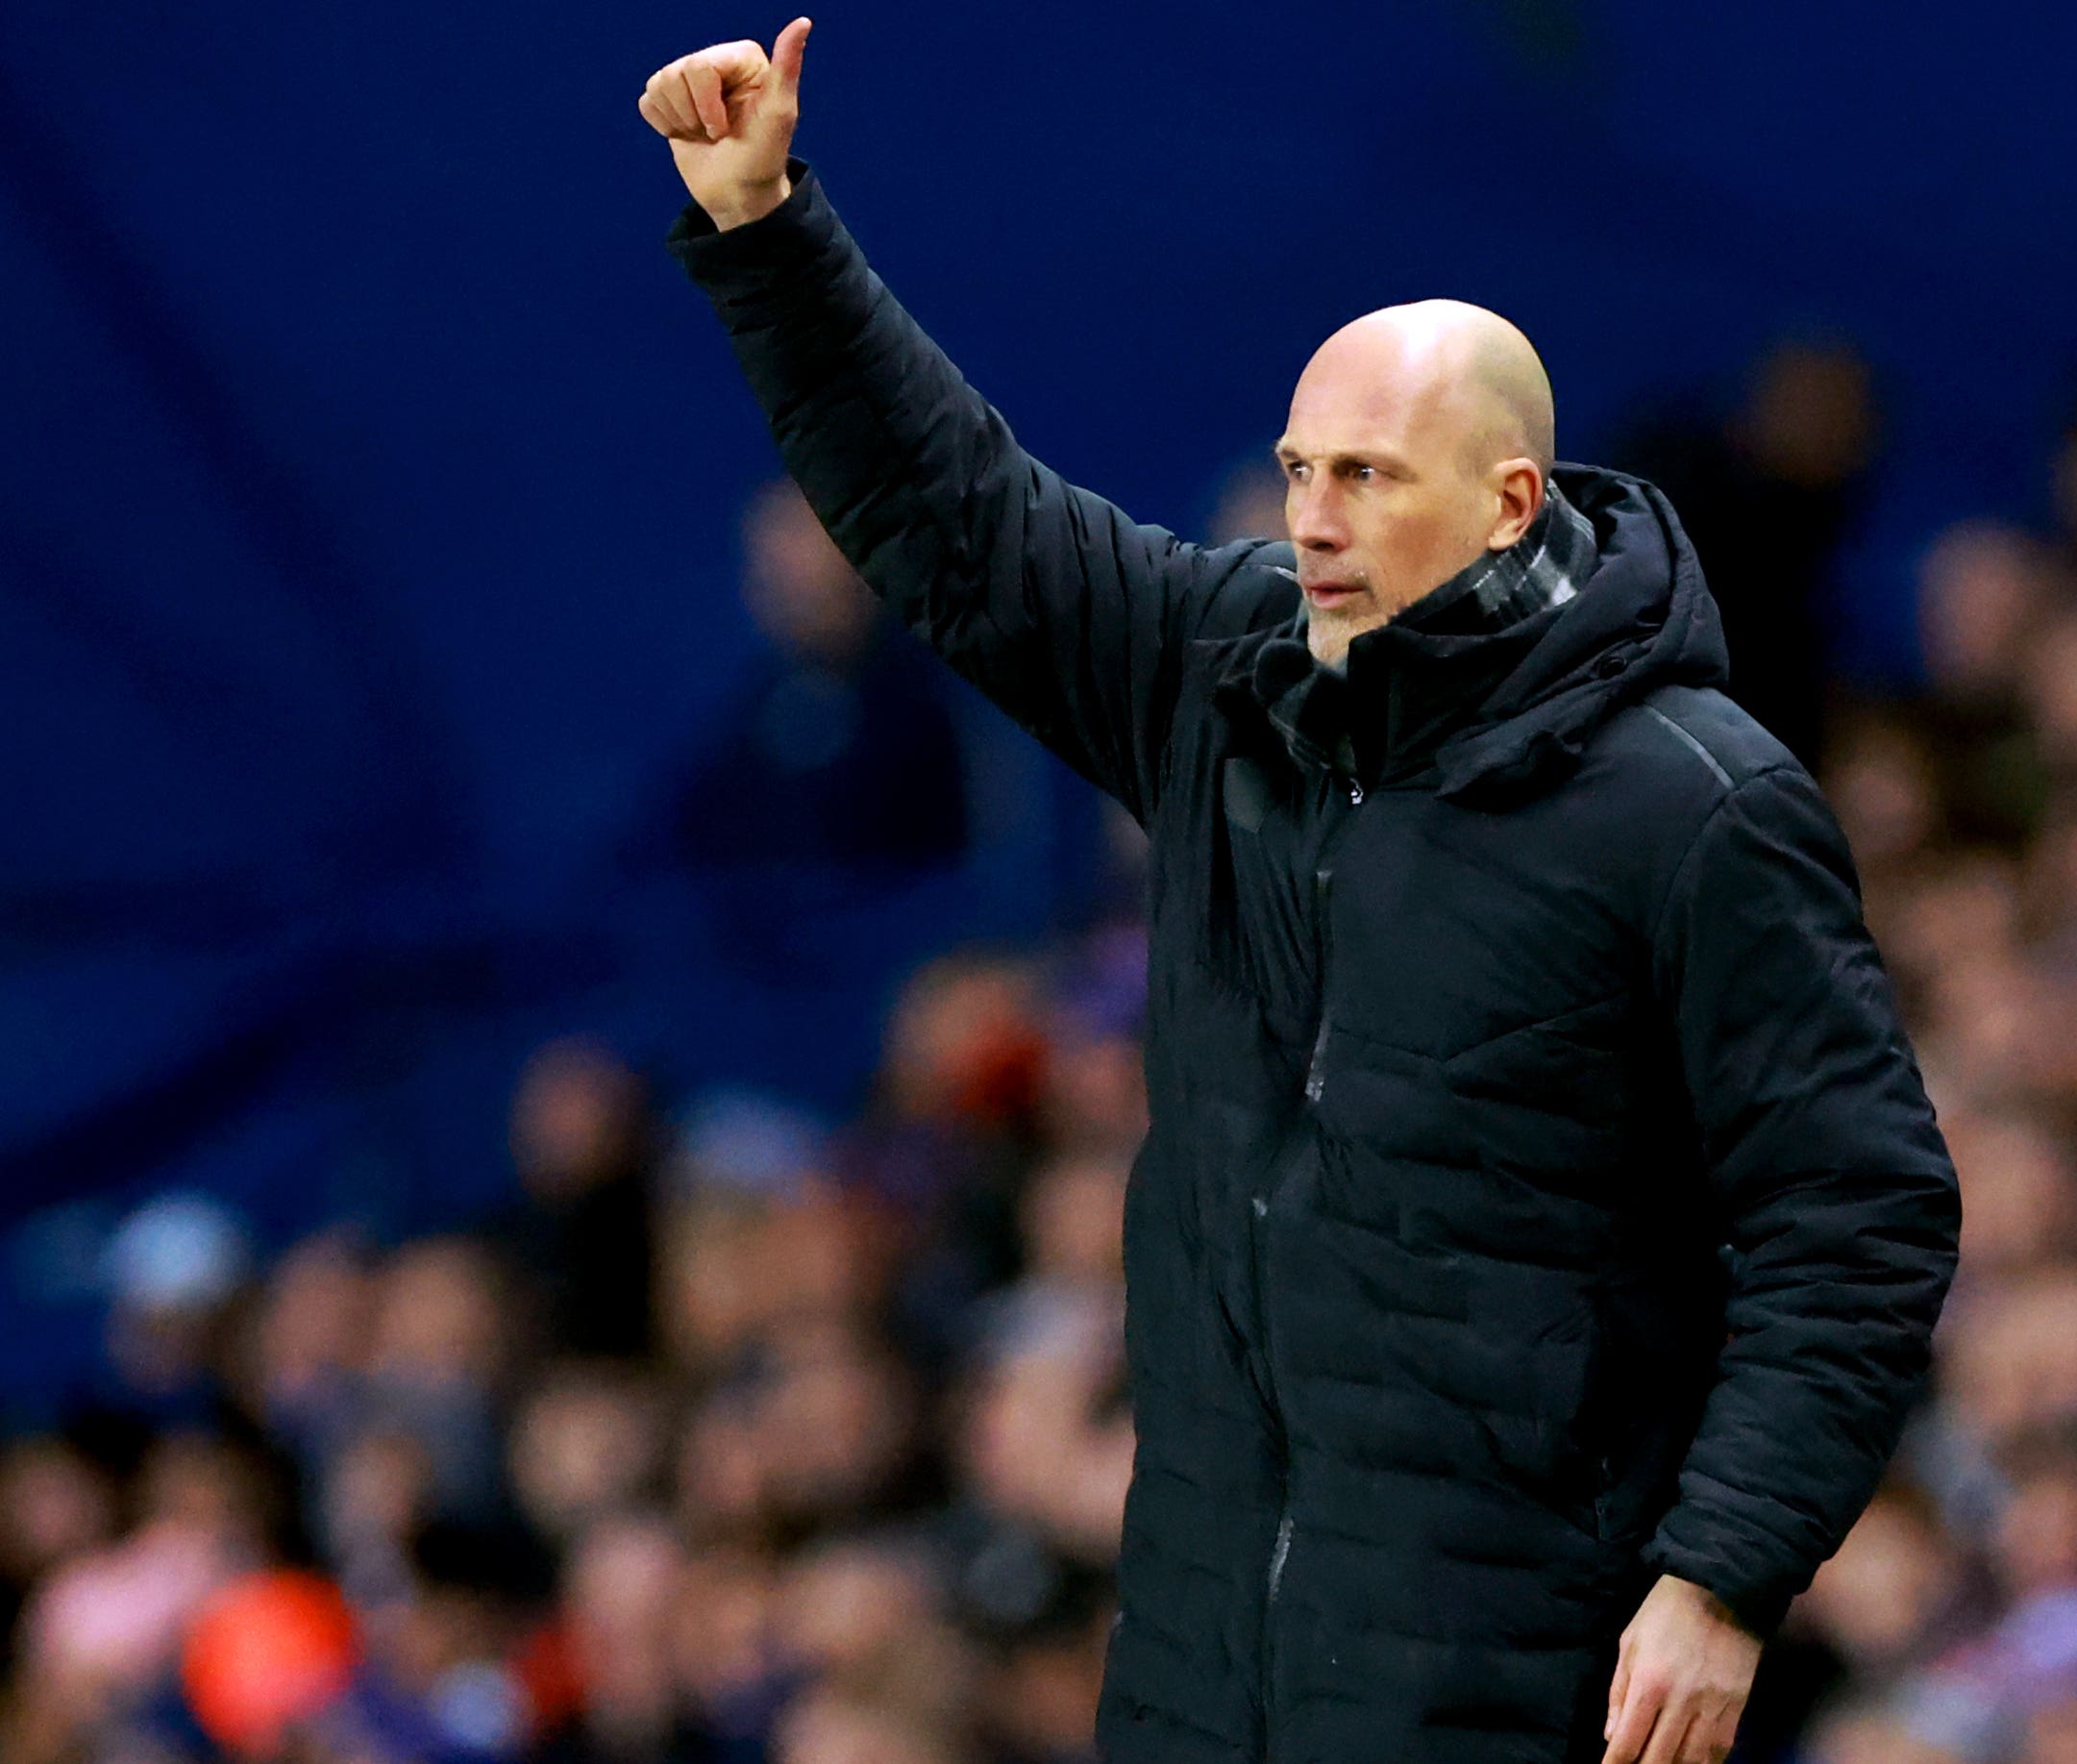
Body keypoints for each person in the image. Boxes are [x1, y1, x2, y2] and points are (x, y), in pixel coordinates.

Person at [636, 22, 1960, 1764]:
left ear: (1510, 505)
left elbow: (1855, 1218)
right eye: (1299, 470)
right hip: (1203, 1669)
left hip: (1518, 1674)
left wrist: (1722, 1579)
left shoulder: (1691, 801)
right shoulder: (1220, 675)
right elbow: (959, 515)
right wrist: (769, 232)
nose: (1314, 518)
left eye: (1369, 477)